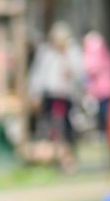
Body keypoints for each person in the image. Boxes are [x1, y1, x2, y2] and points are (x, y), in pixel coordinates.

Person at [27, 23, 84, 169]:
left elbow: (81, 75)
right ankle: (50, 158)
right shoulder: (46, 52)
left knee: (65, 130)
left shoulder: (73, 52)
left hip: (66, 97)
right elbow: (38, 75)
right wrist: (35, 93)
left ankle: (68, 158)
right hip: (50, 96)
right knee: (49, 129)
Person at [82, 29, 110, 135]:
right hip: (104, 87)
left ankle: (105, 130)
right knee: (104, 110)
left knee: (104, 111)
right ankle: (104, 129)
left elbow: (91, 67)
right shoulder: (104, 52)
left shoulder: (92, 50)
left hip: (101, 88)